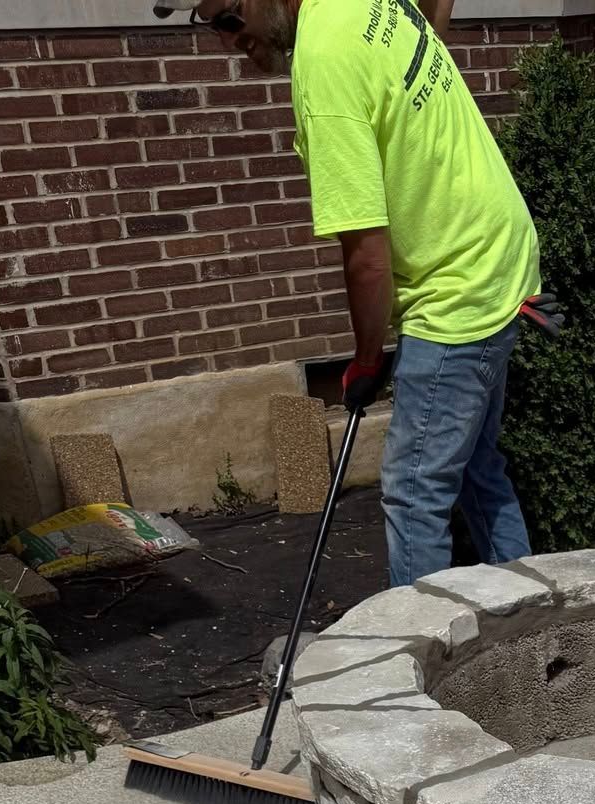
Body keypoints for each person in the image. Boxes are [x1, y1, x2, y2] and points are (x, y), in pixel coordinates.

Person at [188, 0, 540, 587]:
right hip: (498, 254)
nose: (228, 39)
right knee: (476, 466)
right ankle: (531, 615)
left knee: (414, 491)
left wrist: (368, 360)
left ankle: (418, 639)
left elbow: (367, 256)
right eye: (209, 26)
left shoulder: (324, 66)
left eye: (229, 17)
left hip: (456, 288)